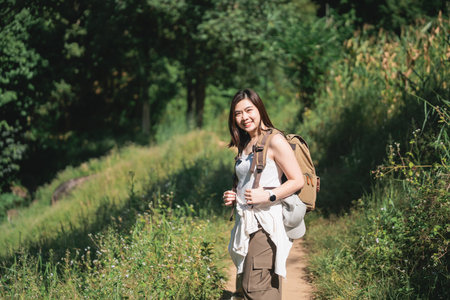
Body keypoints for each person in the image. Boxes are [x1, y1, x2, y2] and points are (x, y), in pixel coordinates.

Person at [223, 89, 305, 300]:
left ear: (259, 109)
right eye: (238, 114)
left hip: (266, 225)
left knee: (256, 287)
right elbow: (250, 180)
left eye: (249, 110)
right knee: (252, 283)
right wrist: (235, 195)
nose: (244, 117)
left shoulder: (275, 140)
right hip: (246, 223)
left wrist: (268, 197)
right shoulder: (247, 142)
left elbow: (297, 180)